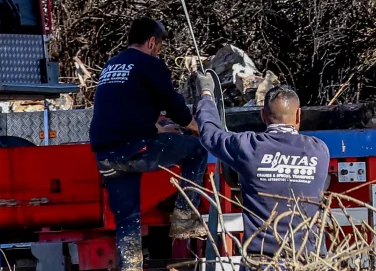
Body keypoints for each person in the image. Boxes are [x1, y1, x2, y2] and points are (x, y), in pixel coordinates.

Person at [90, 16, 209, 271]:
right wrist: (200, 128)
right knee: (197, 151)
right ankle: (185, 218)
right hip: (135, 149)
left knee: (128, 220)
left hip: (106, 155)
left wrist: (157, 127)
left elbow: (121, 107)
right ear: (152, 42)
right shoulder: (149, 63)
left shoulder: (112, 64)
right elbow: (175, 106)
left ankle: (131, 268)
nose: (160, 51)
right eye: (161, 46)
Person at [192, 81, 331, 262]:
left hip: (262, 262)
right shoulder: (319, 150)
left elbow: (210, 134)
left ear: (263, 115)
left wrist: (206, 95)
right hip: (310, 261)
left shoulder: (248, 147)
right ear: (298, 115)